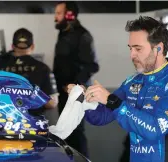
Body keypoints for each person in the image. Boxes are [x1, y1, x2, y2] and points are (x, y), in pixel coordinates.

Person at [67, 16, 168, 162]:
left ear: (158, 48)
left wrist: (112, 100)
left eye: (138, 48)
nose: (132, 55)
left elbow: (155, 129)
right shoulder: (132, 83)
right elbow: (100, 117)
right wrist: (82, 97)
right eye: (130, 48)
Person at [53, 1, 99, 157]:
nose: (55, 17)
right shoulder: (63, 33)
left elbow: (92, 66)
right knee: (65, 134)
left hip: (76, 93)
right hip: (63, 93)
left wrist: (74, 86)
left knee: (76, 134)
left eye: (59, 13)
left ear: (69, 14)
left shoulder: (83, 35)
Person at [0, 28, 58, 111]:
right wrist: (32, 95)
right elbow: (52, 103)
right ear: (32, 47)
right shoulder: (43, 68)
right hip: (33, 120)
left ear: (12, 46)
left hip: (3, 119)